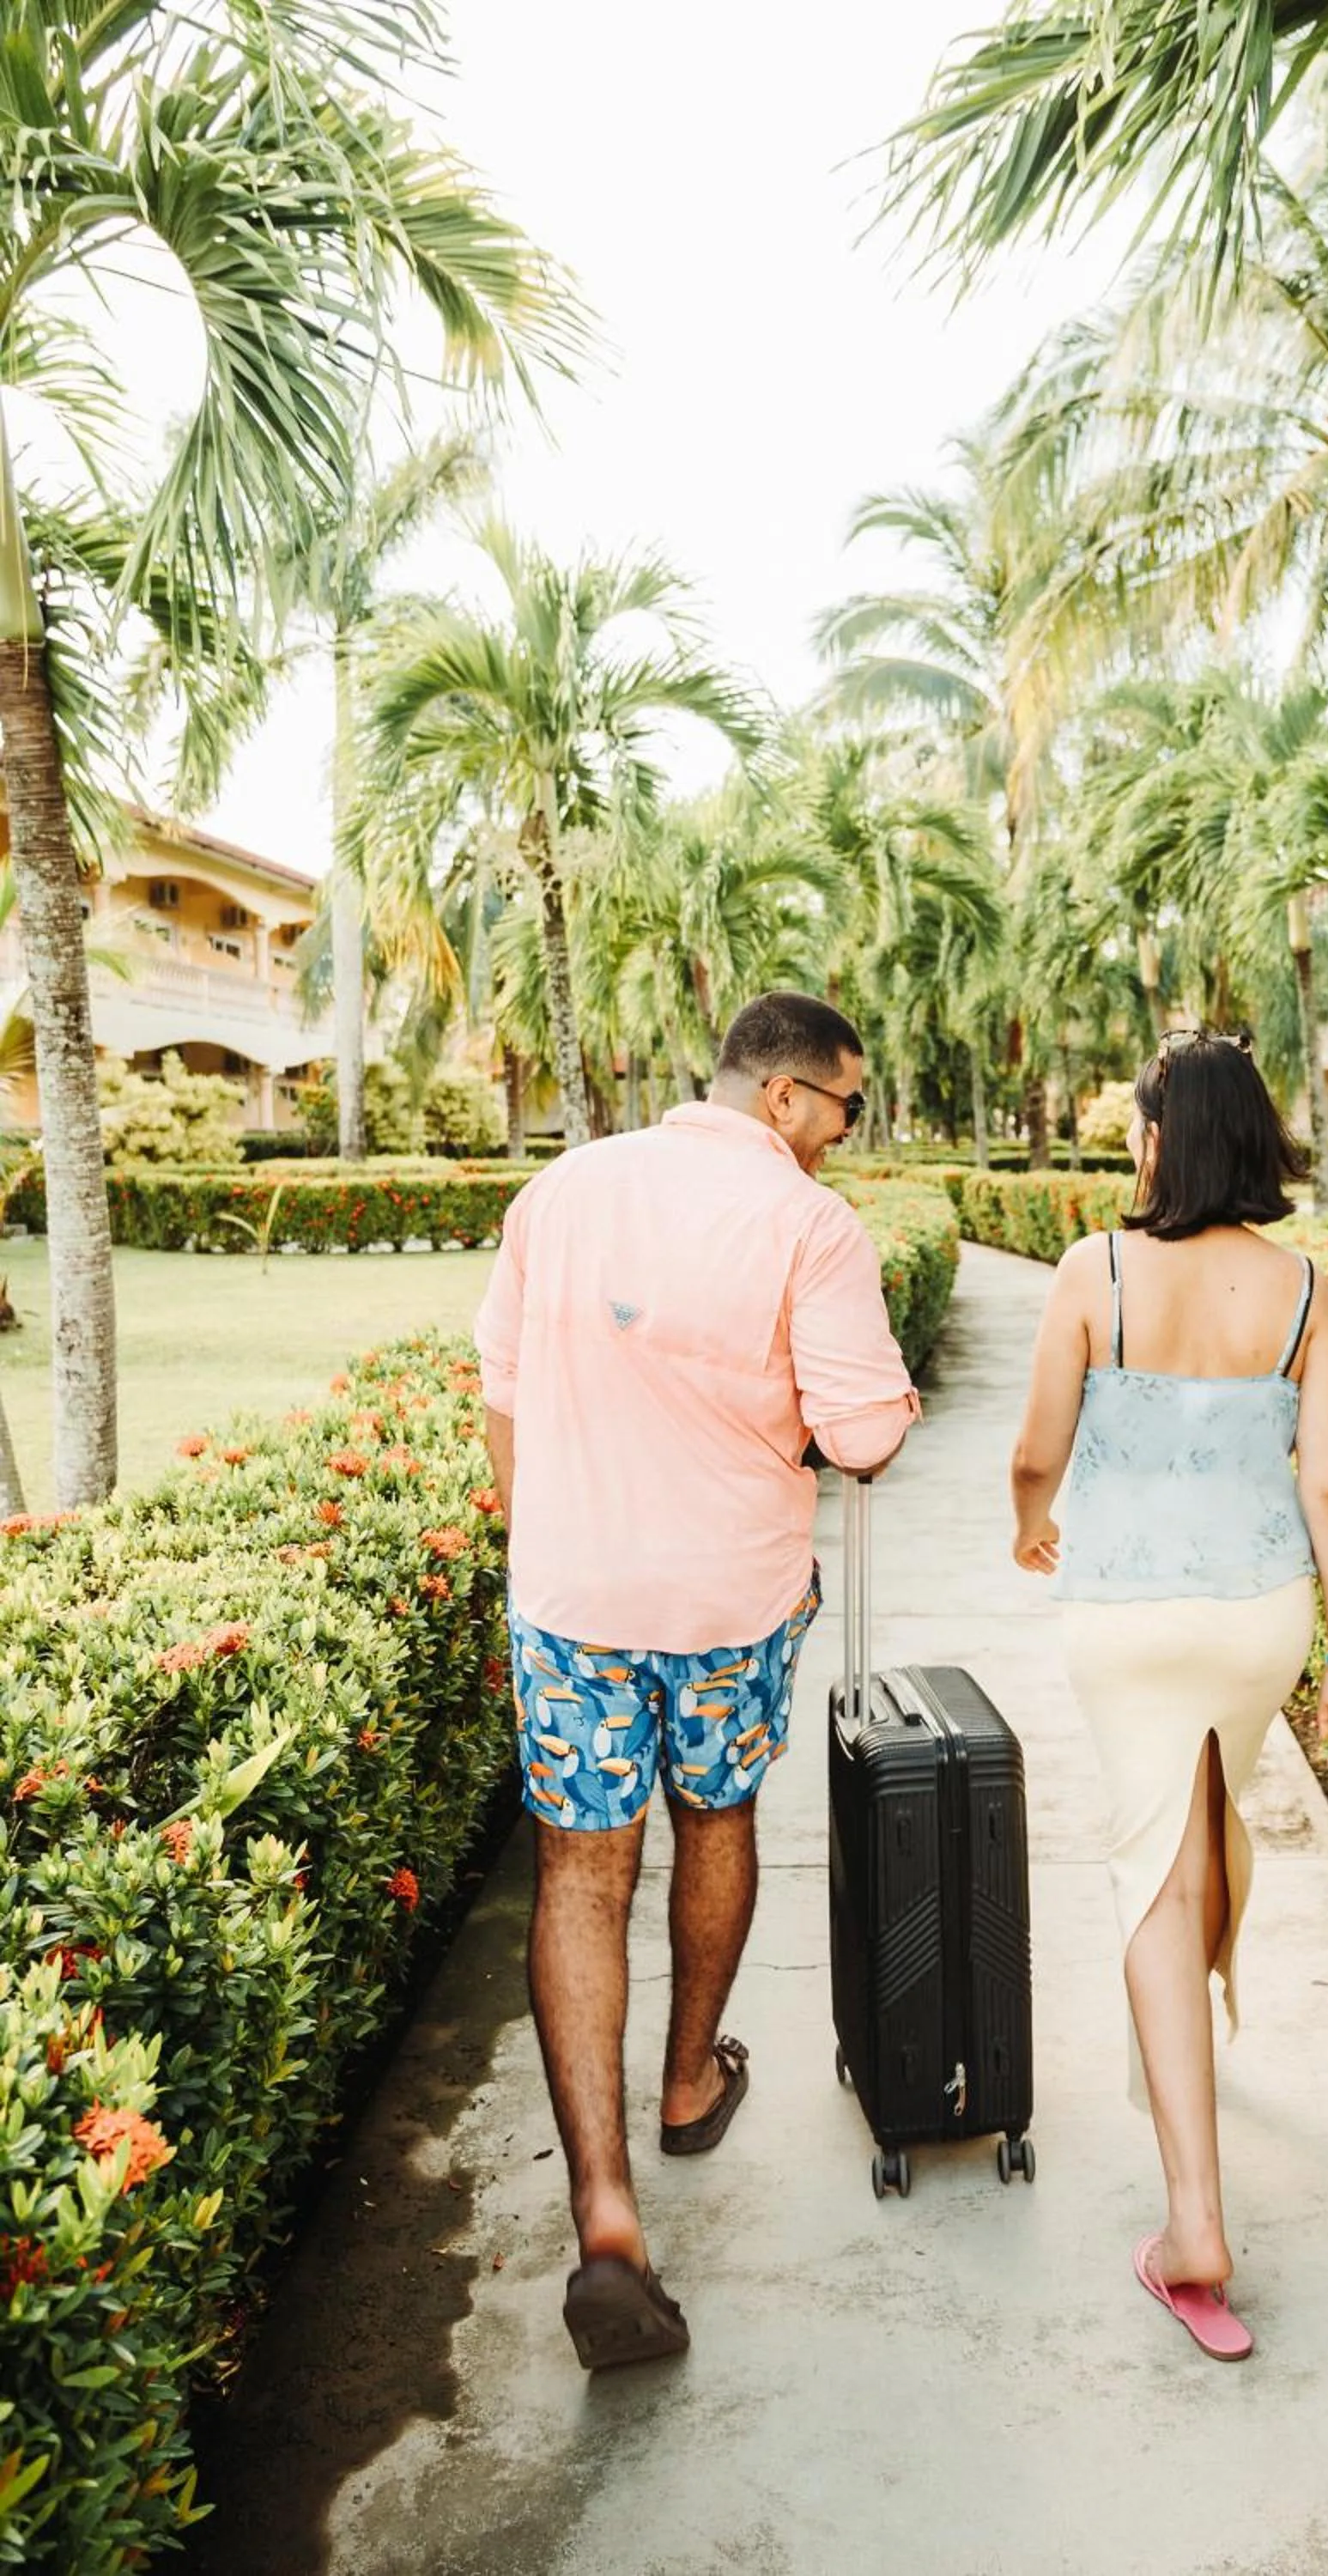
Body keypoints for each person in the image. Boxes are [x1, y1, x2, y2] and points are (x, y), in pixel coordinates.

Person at [475, 991, 919, 2370]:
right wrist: (881, 1410)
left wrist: (544, 1551)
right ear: (785, 1098)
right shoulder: (808, 1226)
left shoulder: (563, 1188)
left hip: (573, 1600)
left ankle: (607, 2217)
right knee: (716, 1825)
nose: (849, 1134)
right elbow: (858, 1439)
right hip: (727, 1603)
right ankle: (685, 2085)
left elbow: (499, 1398)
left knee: (581, 1875)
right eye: (848, 1107)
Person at [1009, 1027, 1328, 2362]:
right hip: (1261, 1616)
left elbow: (1036, 1451)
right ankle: (1202, 2040)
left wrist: (1028, 1520)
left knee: (1153, 1874)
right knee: (1206, 1819)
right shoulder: (1301, 1289)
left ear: (1165, 1139)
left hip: (1127, 1613)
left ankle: (1196, 2224)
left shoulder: (1094, 1268)